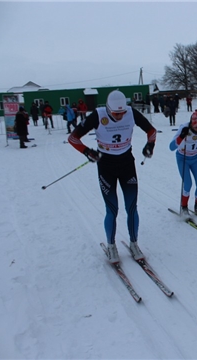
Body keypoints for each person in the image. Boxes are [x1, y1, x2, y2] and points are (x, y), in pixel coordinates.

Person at [68, 90, 157, 264]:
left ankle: (134, 243)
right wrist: (87, 151)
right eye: (116, 113)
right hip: (106, 166)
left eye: (121, 112)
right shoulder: (98, 115)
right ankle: (111, 246)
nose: (119, 116)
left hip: (126, 165)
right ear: (108, 109)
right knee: (112, 209)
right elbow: (73, 138)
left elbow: (152, 130)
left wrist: (150, 145)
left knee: (132, 207)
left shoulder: (131, 113)